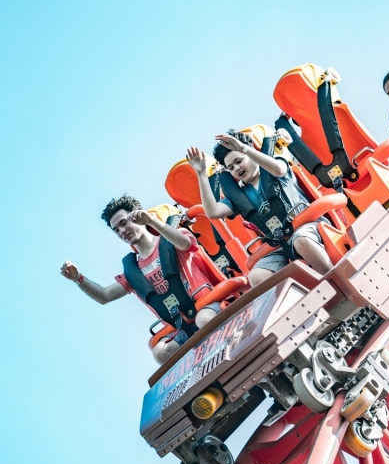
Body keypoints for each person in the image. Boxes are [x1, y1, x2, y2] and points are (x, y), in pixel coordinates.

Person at [60, 195, 223, 364]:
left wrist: (152, 221)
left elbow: (185, 244)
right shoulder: (134, 270)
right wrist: (78, 279)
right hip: (183, 325)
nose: (121, 231)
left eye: (123, 223)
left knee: (203, 319)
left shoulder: (171, 236)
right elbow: (104, 295)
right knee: (160, 352)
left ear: (138, 216)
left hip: (206, 306)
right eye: (116, 230)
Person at [186, 129, 333, 287]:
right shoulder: (240, 196)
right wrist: (201, 173)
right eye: (231, 167)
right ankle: (300, 300)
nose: (236, 168)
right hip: (279, 243)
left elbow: (279, 169)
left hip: (307, 226)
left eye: (239, 161)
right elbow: (212, 212)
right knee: (256, 276)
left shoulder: (275, 166)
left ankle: (338, 285)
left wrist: (244, 148)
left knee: (301, 240)